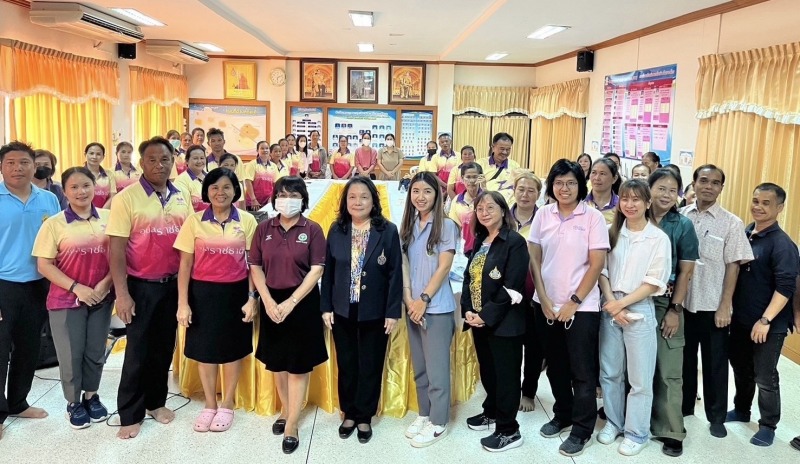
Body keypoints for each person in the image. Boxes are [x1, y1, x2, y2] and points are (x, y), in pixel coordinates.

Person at [106, 136, 194, 439]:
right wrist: (122, 293)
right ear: (141, 163)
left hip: (172, 286)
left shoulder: (181, 194)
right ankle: (130, 412)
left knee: (162, 347)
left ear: (173, 161)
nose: (160, 165)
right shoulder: (126, 198)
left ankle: (156, 402)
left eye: (165, 159)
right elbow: (115, 250)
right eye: (153, 160)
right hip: (140, 286)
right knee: (137, 351)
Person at [528, 159, 608, 457]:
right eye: (559, 182)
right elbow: (534, 258)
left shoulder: (593, 217)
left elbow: (597, 263)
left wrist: (573, 303)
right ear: (552, 185)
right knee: (556, 366)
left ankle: (581, 428)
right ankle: (562, 413)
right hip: (545, 306)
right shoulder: (543, 215)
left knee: (583, 371)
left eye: (571, 183)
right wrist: (545, 300)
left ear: (580, 185)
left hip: (582, 308)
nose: (564, 188)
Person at [175, 168, 258, 434]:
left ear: (236, 190)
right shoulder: (194, 221)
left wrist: (251, 297)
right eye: (214, 187)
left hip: (235, 295)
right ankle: (210, 404)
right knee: (205, 351)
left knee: (232, 351)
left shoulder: (246, 221)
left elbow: (252, 265)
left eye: (226, 187)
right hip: (202, 294)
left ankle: (228, 402)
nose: (220, 193)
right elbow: (185, 265)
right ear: (206, 191)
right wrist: (183, 303)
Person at [320, 176, 402, 444]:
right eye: (352, 197)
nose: (358, 202)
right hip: (342, 309)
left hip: (375, 310)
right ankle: (350, 413)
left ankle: (365, 416)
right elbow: (329, 272)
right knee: (347, 363)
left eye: (364, 197)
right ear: (345, 201)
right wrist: (326, 307)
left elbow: (394, 274)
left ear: (373, 201)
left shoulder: (387, 230)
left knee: (370, 362)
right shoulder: (337, 229)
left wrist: (392, 312)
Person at [32, 166, 114, 429]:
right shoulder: (54, 224)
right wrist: (77, 287)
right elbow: (44, 265)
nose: (81, 191)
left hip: (101, 297)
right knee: (70, 354)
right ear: (64, 192)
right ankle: (73, 402)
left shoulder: (109, 219)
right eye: (74, 187)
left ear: (94, 186)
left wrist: (105, 284)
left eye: (86, 185)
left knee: (95, 351)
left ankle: (91, 396)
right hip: (66, 300)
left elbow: (120, 256)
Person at [250, 177, 327, 452]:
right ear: (274, 198)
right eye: (282, 194)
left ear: (303, 199)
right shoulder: (263, 229)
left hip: (302, 302)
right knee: (278, 362)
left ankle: (292, 422)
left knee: (297, 365)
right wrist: (268, 301)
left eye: (294, 194)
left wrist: (292, 302)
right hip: (272, 301)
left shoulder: (313, 229)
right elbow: (255, 267)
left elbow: (317, 269)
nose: (287, 198)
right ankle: (285, 409)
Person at [597, 179, 671, 457]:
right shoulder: (611, 233)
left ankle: (636, 432)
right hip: (611, 305)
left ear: (648, 203)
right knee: (611, 371)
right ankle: (614, 423)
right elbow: (601, 271)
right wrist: (612, 303)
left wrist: (621, 304)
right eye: (625, 199)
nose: (630, 204)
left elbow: (654, 282)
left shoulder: (658, 238)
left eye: (636, 199)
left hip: (639, 308)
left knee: (640, 378)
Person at [681, 164, 753, 438]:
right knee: (685, 361)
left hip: (714, 306)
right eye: (703, 180)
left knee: (715, 364)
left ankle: (716, 416)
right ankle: (685, 409)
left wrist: (725, 306)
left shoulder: (731, 223)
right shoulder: (681, 216)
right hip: (684, 304)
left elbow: (733, 266)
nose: (708, 186)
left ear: (722, 188)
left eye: (715, 182)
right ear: (694, 183)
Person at [727, 183, 799, 447]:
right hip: (742, 319)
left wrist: (765, 320)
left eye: (766, 203)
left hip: (769, 324)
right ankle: (742, 409)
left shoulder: (783, 245)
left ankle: (768, 424)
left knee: (765, 377)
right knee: (741, 368)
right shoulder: (747, 232)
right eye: (755, 200)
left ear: (779, 208)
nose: (758, 206)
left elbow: (786, 287)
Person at [0, 141, 61, 441]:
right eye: (10, 162)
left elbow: (60, 241)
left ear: (33, 166)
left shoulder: (49, 200)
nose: (17, 168)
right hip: (3, 285)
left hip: (38, 284)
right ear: (1, 167)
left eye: (24, 162)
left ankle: (18, 402)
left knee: (28, 348)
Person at [462, 191, 529, 452]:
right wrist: (468, 310)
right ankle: (491, 411)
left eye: (491, 207)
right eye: (480, 208)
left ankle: (509, 430)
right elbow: (470, 278)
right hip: (480, 321)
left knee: (507, 377)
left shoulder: (514, 242)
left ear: (504, 211)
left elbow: (512, 288)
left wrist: (485, 315)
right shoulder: (480, 240)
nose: (485, 212)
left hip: (504, 324)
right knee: (489, 372)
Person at [399, 172, 458, 448]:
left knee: (437, 371)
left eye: (427, 192)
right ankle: (424, 413)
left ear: (437, 195)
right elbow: (405, 266)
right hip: (412, 307)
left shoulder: (446, 226)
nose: (420, 197)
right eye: (415, 192)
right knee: (420, 368)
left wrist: (423, 299)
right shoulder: (409, 225)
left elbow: (444, 267)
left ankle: (439, 421)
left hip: (436, 308)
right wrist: (410, 299)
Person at [647, 168, 699, 457]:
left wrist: (674, 309)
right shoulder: (634, 216)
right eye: (661, 188)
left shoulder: (683, 225)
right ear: (649, 188)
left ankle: (671, 429)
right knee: (635, 366)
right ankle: (635, 419)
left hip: (666, 303)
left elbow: (686, 270)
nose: (666, 195)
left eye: (672, 190)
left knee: (668, 368)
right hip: (633, 302)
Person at [510, 171, 544, 413]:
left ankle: (529, 392)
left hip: (535, 295)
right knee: (510, 345)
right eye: (521, 189)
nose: (525, 194)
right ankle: (509, 389)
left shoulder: (545, 219)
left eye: (531, 190)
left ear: (538, 195)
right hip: (507, 295)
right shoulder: (503, 218)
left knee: (534, 347)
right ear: (514, 190)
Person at [448, 162, 482, 255]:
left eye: (475, 177)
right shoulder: (456, 200)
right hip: (464, 251)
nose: (471, 181)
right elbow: (454, 227)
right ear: (462, 179)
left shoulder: (487, 198)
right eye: (468, 177)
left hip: (484, 250)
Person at [477, 133, 519, 202]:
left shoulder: (515, 166)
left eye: (508, 149)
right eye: (502, 149)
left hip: (506, 205)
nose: (505, 152)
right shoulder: (480, 164)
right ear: (493, 147)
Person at [245, 142, 286, 211]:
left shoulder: (273, 166)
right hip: (254, 203)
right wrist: (253, 199)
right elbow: (248, 182)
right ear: (257, 150)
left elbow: (276, 184)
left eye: (267, 148)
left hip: (268, 202)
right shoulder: (252, 164)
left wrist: (272, 198)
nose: (265, 150)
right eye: (262, 148)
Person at [174, 145, 209, 212]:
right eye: (195, 158)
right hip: (193, 219)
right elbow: (182, 206)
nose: (199, 161)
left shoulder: (212, 176)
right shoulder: (180, 180)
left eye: (202, 158)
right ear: (187, 161)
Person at [587, 158, 621, 224]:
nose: (597, 178)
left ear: (614, 179)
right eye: (594, 172)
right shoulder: (581, 203)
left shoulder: (621, 206)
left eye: (602, 174)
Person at [84, 142, 116, 209]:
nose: (94, 157)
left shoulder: (109, 174)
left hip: (105, 214)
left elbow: (113, 195)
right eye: (91, 153)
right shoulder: (79, 174)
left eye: (98, 154)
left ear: (103, 157)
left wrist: (102, 212)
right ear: (85, 154)